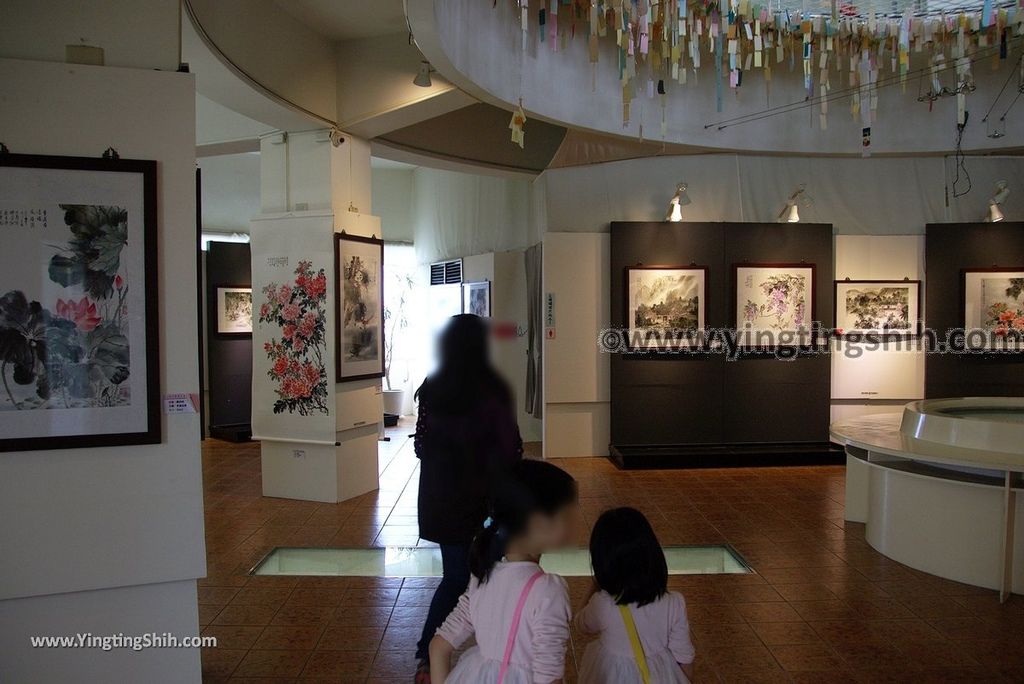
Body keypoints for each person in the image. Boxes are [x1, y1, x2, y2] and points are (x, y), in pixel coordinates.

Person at [414, 314, 524, 679]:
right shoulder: (489, 388)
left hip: (443, 501)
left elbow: (421, 446)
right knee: (481, 574)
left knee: (456, 575)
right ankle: (490, 650)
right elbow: (512, 450)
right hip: (481, 502)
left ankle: (432, 653)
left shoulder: (433, 385)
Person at [429, 459, 578, 684]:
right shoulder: (548, 591)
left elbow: (438, 646)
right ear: (539, 523)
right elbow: (549, 679)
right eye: (568, 515)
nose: (577, 523)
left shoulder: (482, 576)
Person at [575, 507, 695, 684]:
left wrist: (594, 585)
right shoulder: (674, 602)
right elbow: (684, 657)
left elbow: (581, 624)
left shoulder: (602, 604)